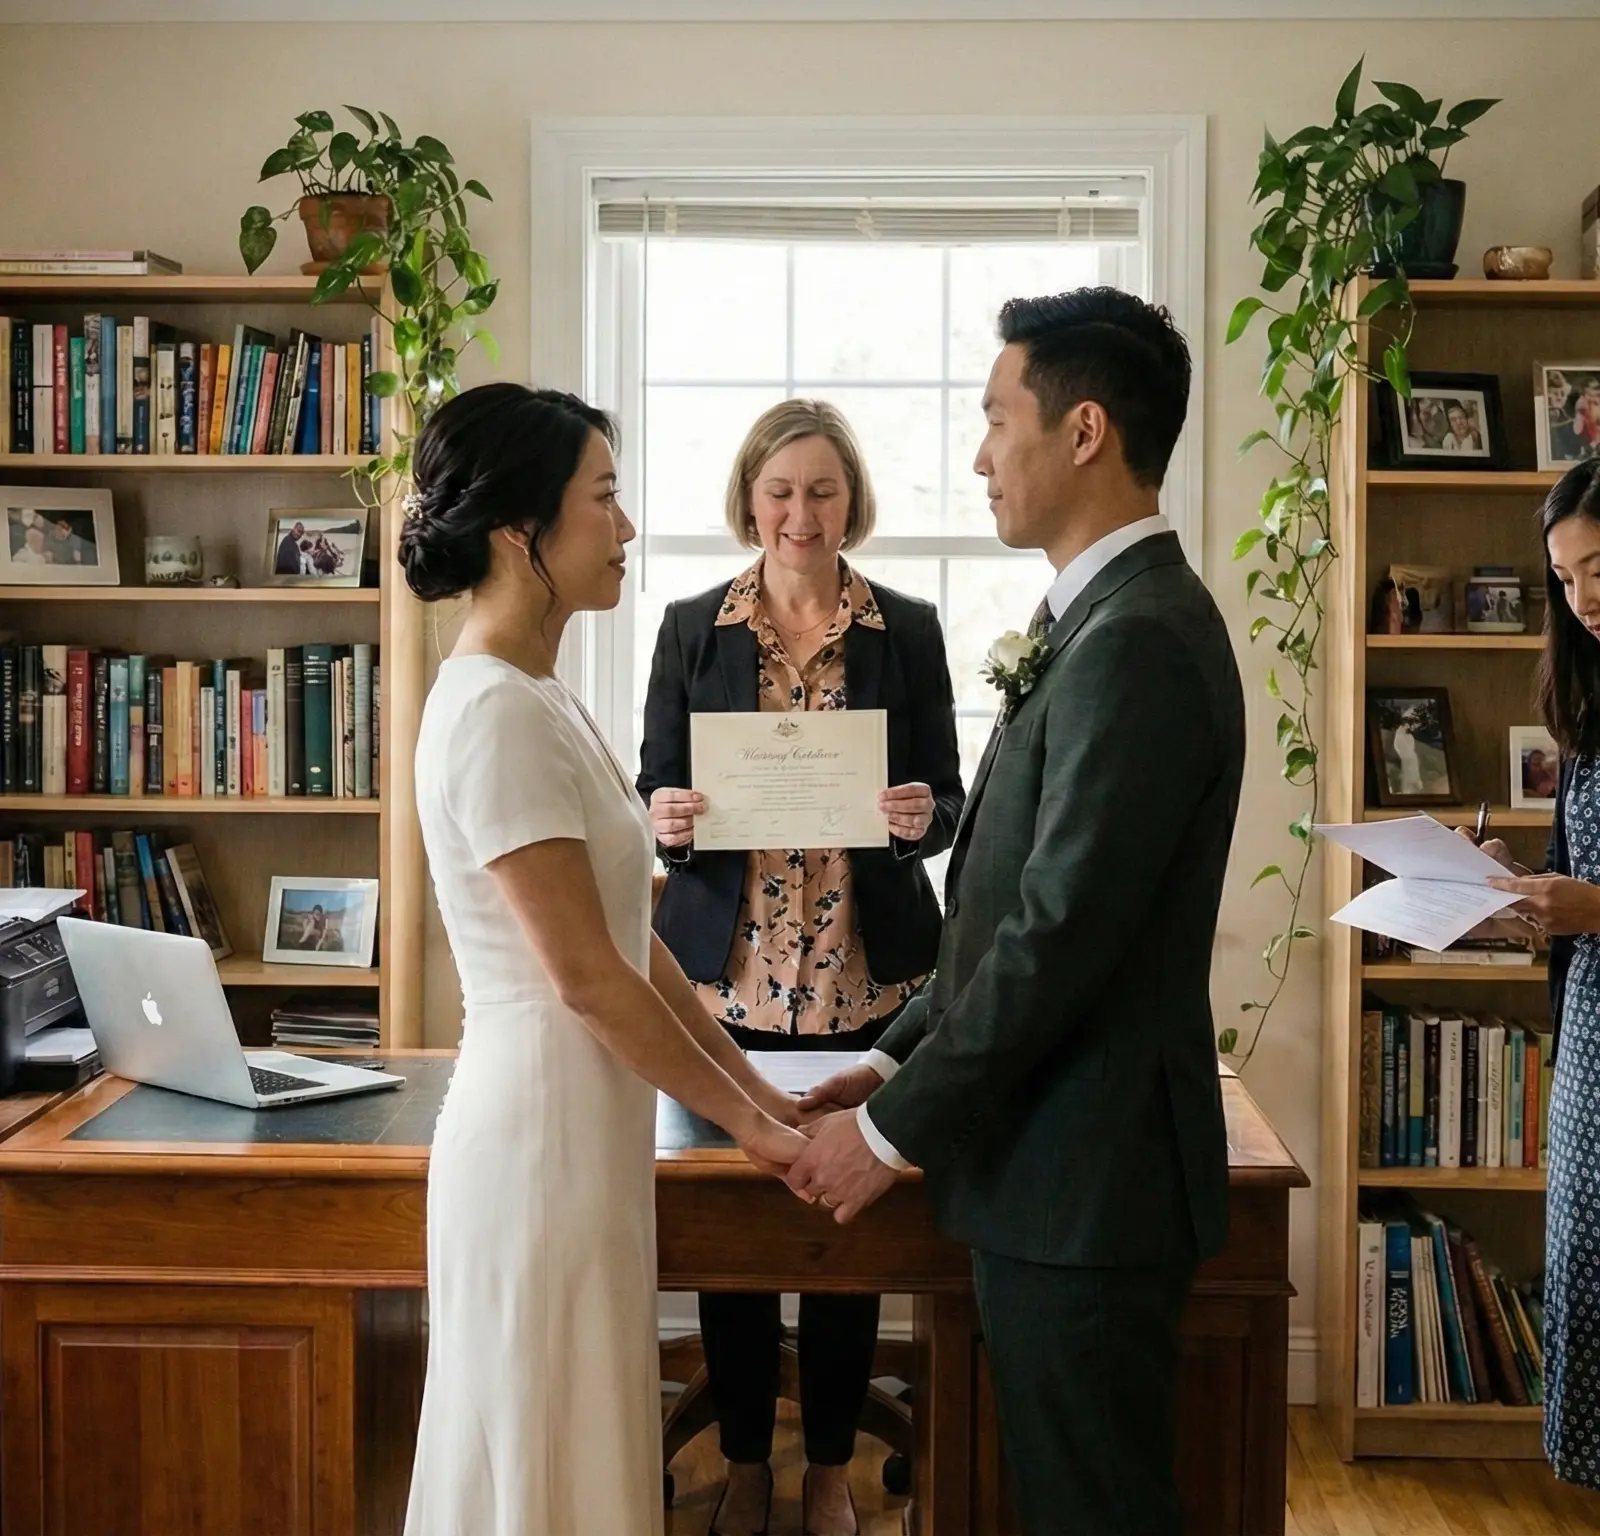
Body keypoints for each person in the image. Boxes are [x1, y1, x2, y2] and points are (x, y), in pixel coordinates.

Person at [788, 288, 1246, 1536]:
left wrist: (888, 1136)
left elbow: (1060, 940)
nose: (980, 455)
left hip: (1087, 1183)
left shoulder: (1138, 639)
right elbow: (1001, 913)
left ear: (1084, 429)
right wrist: (888, 1055)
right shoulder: (1097, 619)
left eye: (997, 419)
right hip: (1048, 1171)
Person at [398, 382, 807, 1535]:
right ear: (520, 529)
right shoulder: (492, 712)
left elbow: (637, 942)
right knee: (540, 1449)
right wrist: (755, 1129)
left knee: (581, 1439)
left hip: (587, 1132)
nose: (625, 528)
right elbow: (584, 980)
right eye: (604, 499)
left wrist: (749, 1092)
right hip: (533, 1141)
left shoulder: (546, 697)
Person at [637, 398, 964, 1536]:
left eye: (822, 490)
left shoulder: (906, 627)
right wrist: (665, 818)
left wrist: (922, 815)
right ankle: (742, 1458)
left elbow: (947, 796)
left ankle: (827, 1465)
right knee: (732, 1233)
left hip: (859, 974)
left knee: (844, 1223)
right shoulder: (690, 626)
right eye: (779, 490)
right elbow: (654, 788)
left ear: (850, 501)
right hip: (720, 980)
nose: (799, 512)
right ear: (749, 498)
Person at [1470, 457, 1600, 1491]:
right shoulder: (1591, 702)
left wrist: (1589, 907)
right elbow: (1577, 877)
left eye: (1597, 564)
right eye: (1562, 577)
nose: (1582, 595)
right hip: (1592, 1051)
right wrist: (1520, 891)